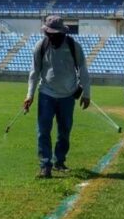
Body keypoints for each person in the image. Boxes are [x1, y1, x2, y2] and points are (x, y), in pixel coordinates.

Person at [23, 15, 91, 178]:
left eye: (56, 34)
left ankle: (59, 161)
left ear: (63, 33)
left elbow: (83, 69)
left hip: (68, 96)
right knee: (43, 131)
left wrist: (86, 93)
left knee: (64, 131)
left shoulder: (74, 47)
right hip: (46, 94)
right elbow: (34, 72)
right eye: (50, 34)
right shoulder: (41, 46)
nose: (52, 37)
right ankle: (45, 165)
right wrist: (29, 95)